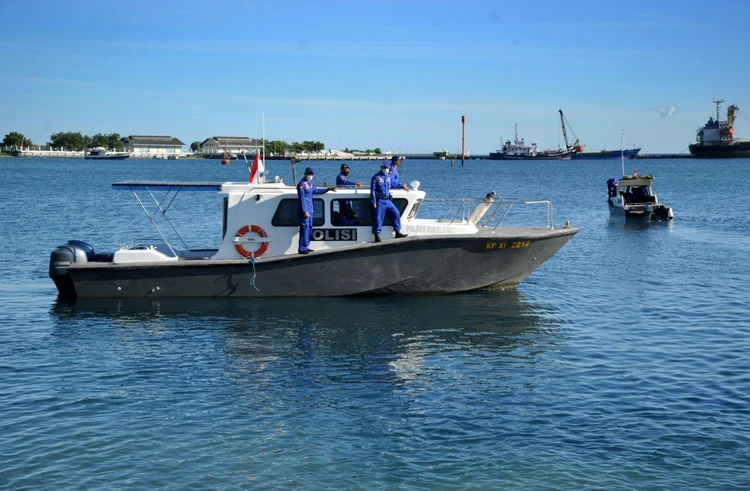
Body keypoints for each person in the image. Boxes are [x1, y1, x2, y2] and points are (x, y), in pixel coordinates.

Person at [297, 167, 334, 254]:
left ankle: (306, 246)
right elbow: (301, 199)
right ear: (305, 174)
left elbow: (317, 191)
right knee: (304, 228)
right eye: (309, 174)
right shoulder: (301, 184)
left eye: (311, 174)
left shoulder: (310, 184)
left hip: (311, 210)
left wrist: (327, 189)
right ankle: (302, 248)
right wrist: (304, 210)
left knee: (310, 228)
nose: (310, 176)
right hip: (305, 210)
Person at [370, 163, 408, 242]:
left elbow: (394, 184)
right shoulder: (376, 177)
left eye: (387, 168)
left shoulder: (388, 177)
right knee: (378, 217)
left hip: (387, 200)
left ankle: (397, 232)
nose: (386, 169)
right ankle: (376, 235)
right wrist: (373, 202)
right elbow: (372, 190)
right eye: (385, 168)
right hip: (380, 200)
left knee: (396, 213)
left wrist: (402, 185)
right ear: (382, 167)